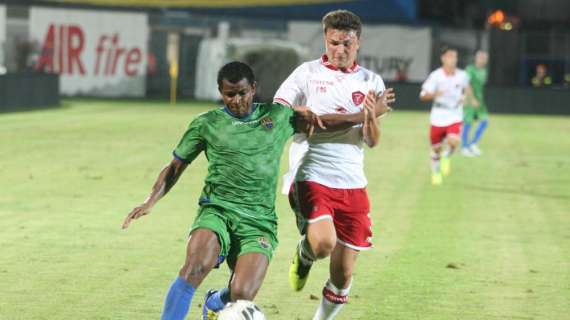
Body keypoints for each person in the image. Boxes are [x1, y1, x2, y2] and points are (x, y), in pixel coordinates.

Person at [122, 61, 390, 320]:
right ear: (221, 93)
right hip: (217, 211)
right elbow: (175, 167)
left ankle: (216, 302)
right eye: (229, 94)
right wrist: (150, 200)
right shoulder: (206, 123)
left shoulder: (277, 116)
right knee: (194, 268)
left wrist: (367, 114)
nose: (237, 101)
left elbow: (325, 123)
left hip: (258, 222)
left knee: (241, 295)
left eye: (242, 93)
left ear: (253, 88)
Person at [273, 10, 395, 320]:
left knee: (342, 276)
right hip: (311, 173)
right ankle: (305, 252)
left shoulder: (371, 80)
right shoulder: (307, 73)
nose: (339, 50)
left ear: (359, 43)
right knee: (324, 244)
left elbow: (372, 140)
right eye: (333, 43)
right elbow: (309, 122)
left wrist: (371, 118)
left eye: (346, 44)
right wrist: (363, 114)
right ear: (325, 39)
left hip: (353, 181)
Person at [420, 46, 478, 185]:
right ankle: (436, 172)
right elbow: (422, 95)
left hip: (454, 114)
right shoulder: (436, 76)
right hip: (438, 116)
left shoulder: (462, 75)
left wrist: (470, 98)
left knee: (454, 141)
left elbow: (467, 86)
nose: (453, 59)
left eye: (455, 56)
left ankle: (447, 155)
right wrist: (435, 94)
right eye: (450, 56)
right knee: (436, 149)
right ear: (443, 58)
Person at [462, 50, 489, 156]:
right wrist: (471, 98)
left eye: (485, 58)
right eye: (482, 57)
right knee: (467, 123)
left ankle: (472, 144)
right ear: (477, 58)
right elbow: (466, 84)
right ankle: (464, 147)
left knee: (485, 121)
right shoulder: (470, 69)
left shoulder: (484, 71)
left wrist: (478, 99)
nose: (484, 60)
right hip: (470, 100)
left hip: (479, 101)